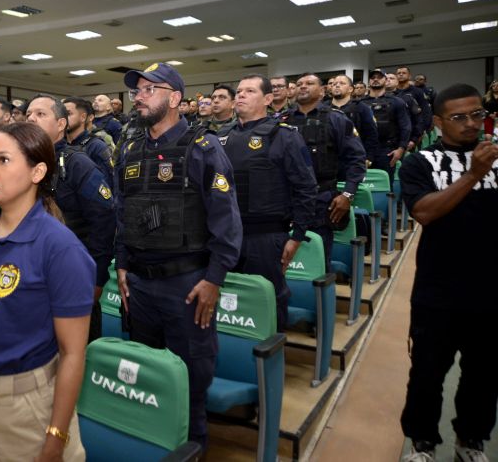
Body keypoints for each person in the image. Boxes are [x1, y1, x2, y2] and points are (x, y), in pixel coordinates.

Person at [0, 122, 94, 462]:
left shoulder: (60, 247)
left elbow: (73, 354)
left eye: (3, 160)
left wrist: (57, 434)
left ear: (37, 171)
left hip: (26, 407)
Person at [115, 62, 242, 448]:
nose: (138, 96)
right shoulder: (130, 149)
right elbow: (123, 212)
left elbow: (227, 222)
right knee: (146, 382)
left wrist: (214, 279)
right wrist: (121, 264)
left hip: (187, 287)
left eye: (148, 90)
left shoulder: (204, 149)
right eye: (136, 90)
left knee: (190, 384)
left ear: (174, 98)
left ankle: (193, 451)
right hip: (140, 286)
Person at [398, 84, 498, 462]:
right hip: (437, 290)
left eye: (476, 114)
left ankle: (471, 441)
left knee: (483, 376)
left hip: (491, 290)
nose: (471, 123)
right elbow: (424, 212)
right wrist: (472, 176)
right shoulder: (420, 162)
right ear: (439, 122)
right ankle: (422, 443)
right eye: (459, 117)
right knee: (426, 374)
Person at [223, 74, 318, 330]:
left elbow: (306, 189)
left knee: (268, 302)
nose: (241, 95)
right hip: (227, 237)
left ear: (267, 99)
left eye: (249, 91)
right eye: (239, 90)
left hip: (266, 238)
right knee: (228, 306)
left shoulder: (284, 136)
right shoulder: (220, 138)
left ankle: (271, 364)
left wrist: (297, 236)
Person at [27, 95, 115, 343]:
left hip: (74, 280)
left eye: (41, 114)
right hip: (33, 280)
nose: (32, 118)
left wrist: (97, 280)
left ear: (61, 124)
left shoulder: (76, 164)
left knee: (75, 360)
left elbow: (104, 220)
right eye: (29, 114)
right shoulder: (22, 166)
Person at [280, 73, 367, 270]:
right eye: (300, 84)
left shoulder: (336, 119)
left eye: (309, 83)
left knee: (317, 264)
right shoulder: (280, 121)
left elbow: (357, 159)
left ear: (322, 91)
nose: (303, 87)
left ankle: (320, 300)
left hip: (319, 201)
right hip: (284, 202)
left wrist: (348, 194)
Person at [359, 69, 411, 183]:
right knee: (362, 184)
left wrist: (401, 149)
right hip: (364, 150)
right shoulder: (360, 103)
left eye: (379, 77)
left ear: (385, 80)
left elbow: (405, 126)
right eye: (373, 78)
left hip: (387, 150)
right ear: (369, 81)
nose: (376, 79)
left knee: (386, 186)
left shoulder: (397, 102)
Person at [325, 74, 379, 167]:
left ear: (350, 89)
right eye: (334, 84)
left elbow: (371, 134)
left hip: (353, 158)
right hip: (328, 159)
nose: (337, 85)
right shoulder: (323, 108)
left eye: (342, 83)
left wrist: (368, 157)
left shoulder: (361, 108)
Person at [64, 96, 114, 188]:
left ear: (83, 117)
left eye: (68, 114)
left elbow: (107, 187)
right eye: (62, 114)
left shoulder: (97, 146)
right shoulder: (60, 145)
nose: (63, 118)